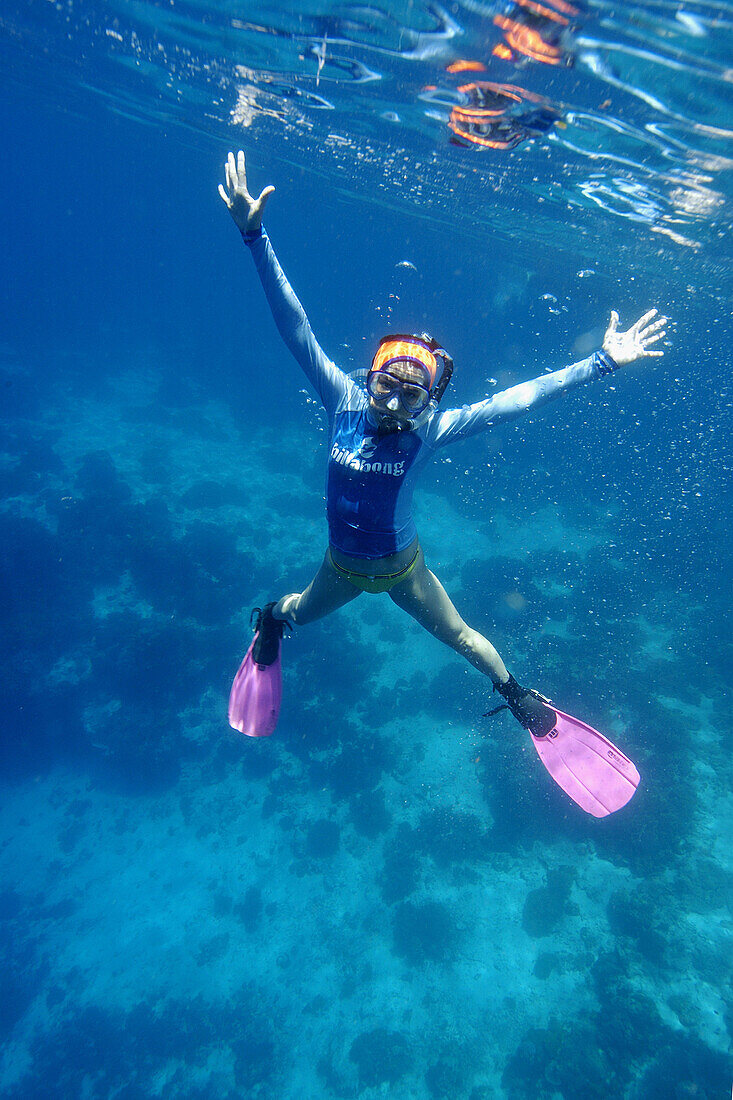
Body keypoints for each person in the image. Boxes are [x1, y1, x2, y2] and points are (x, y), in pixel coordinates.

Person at [219, 149, 667, 738]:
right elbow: (293, 326)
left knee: (462, 637)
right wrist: (256, 238)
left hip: (405, 572)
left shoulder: (431, 432)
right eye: (386, 386)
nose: (395, 404)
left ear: (429, 401)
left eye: (413, 395)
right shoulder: (343, 402)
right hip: (343, 569)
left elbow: (520, 399)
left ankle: (516, 695)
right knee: (298, 609)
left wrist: (602, 361)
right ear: (368, 378)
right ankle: (269, 624)